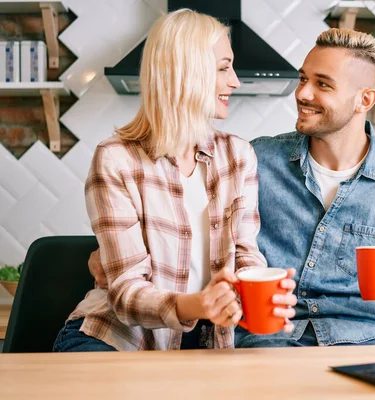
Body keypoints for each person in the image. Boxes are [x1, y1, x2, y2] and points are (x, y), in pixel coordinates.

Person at [52, 9, 297, 352]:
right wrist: (197, 304)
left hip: (205, 339)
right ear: (187, 71)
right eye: (224, 67)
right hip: (118, 335)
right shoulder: (116, 159)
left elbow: (246, 256)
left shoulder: (238, 156)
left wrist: (256, 293)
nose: (235, 81)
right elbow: (125, 294)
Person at [235, 28, 375, 348]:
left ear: (365, 100)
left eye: (323, 84)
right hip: (272, 338)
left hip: (371, 338)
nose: (302, 93)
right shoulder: (256, 160)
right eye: (303, 79)